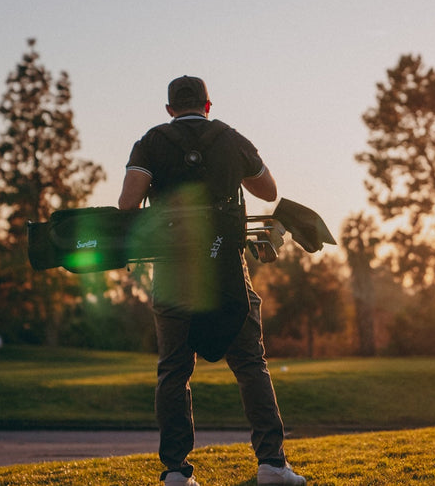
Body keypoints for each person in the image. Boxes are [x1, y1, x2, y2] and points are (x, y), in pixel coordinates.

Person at [119, 76, 306, 486]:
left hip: (172, 270)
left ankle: (175, 473)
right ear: (207, 104)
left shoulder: (150, 142)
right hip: (226, 270)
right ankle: (272, 464)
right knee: (250, 364)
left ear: (169, 109)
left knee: (173, 371)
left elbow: (128, 204)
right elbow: (269, 190)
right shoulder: (230, 137)